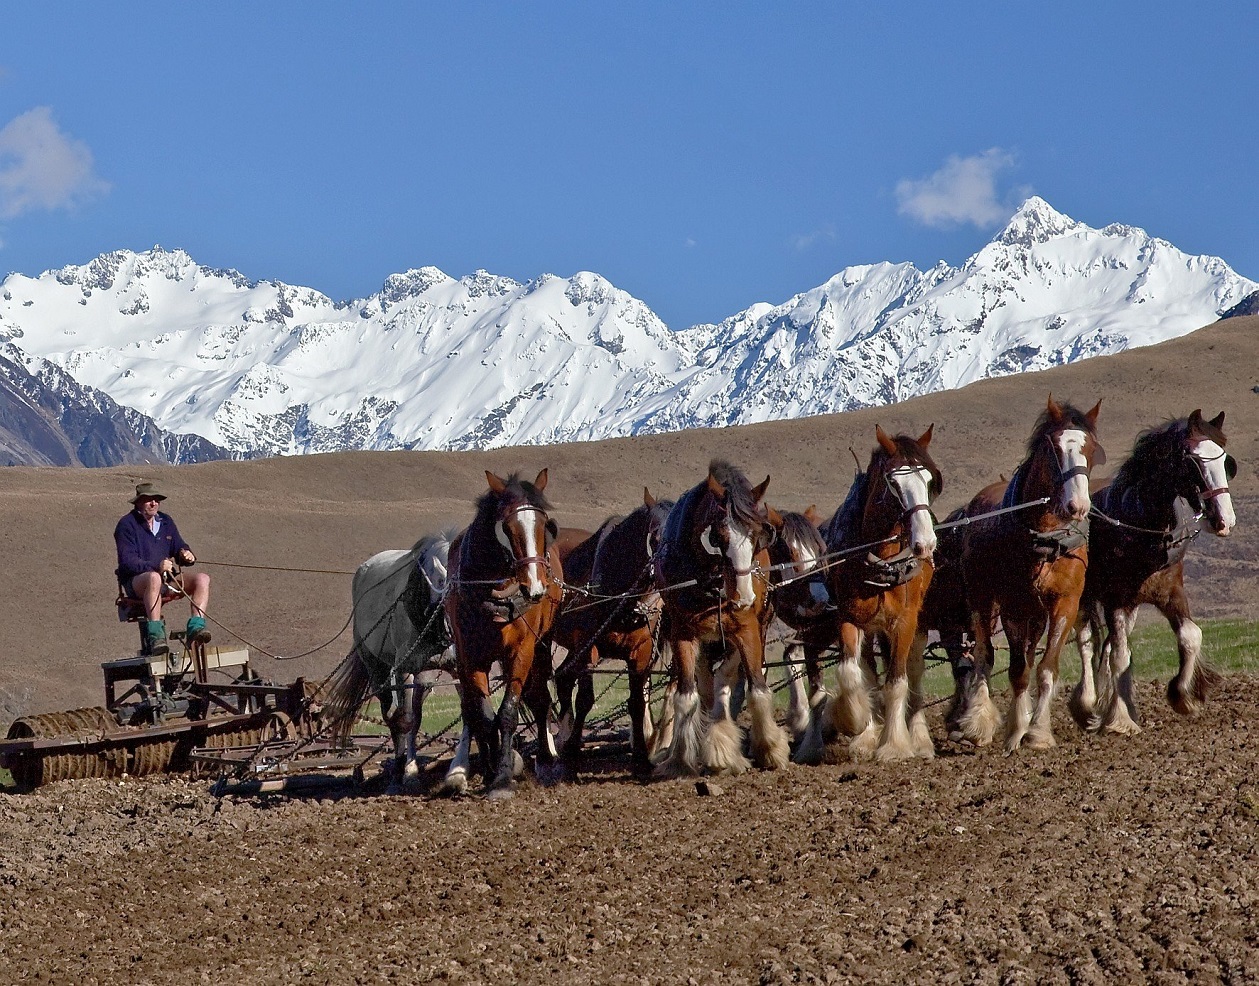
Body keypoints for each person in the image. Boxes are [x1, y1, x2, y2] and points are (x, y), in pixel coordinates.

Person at [114, 482, 211, 655]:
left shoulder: (166, 521)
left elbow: (178, 545)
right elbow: (127, 561)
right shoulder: (126, 525)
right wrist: (155, 567)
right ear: (138, 502)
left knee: (202, 579)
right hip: (137, 581)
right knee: (153, 578)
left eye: (156, 499)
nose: (154, 503)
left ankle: (196, 628)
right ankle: (156, 635)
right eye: (148, 500)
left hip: (168, 578)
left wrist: (186, 554)